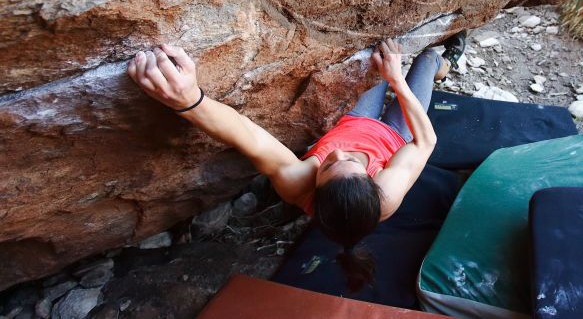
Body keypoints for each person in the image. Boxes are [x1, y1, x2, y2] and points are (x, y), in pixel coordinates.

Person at [127, 34, 466, 290]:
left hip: (353, 121)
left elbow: (248, 137)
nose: (338, 153)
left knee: (368, 58)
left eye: (330, 165)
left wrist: (188, 100)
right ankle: (443, 64)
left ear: (313, 190)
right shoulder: (387, 195)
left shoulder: (297, 182)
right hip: (394, 134)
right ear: (372, 180)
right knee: (426, 58)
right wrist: (395, 81)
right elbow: (426, 141)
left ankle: (426, 68)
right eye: (351, 163)